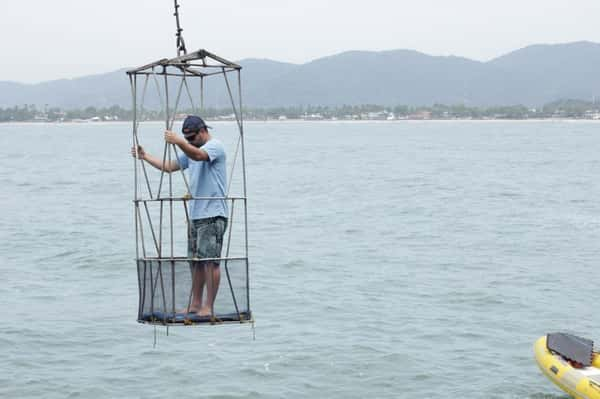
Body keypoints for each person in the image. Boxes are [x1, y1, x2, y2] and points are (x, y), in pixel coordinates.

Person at [131, 115, 228, 317]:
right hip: (195, 214)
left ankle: (208, 307)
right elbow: (169, 167)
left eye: (192, 137)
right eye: (187, 139)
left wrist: (180, 142)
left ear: (202, 131)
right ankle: (195, 304)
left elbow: (199, 156)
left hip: (213, 213)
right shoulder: (191, 151)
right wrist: (145, 156)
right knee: (195, 260)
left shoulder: (215, 146)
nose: (190, 141)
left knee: (211, 260)